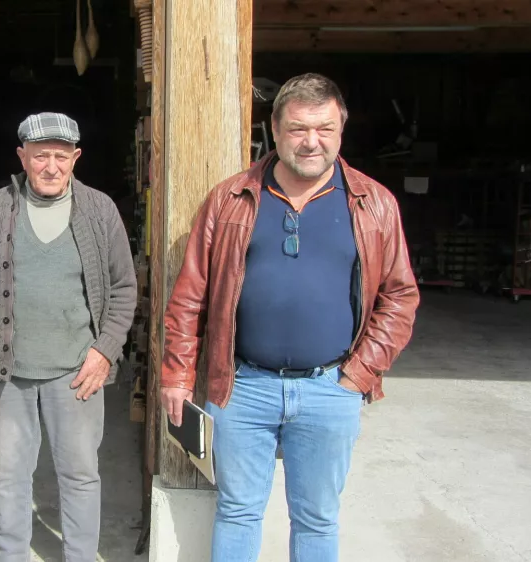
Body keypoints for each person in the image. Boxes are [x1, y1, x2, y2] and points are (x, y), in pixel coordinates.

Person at [160, 73, 420, 562]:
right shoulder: (230, 199)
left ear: (341, 131)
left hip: (330, 388)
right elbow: (190, 294)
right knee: (237, 511)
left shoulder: (373, 204)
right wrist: (177, 374)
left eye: (324, 129)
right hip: (242, 388)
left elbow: (400, 296)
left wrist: (359, 373)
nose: (311, 141)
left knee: (317, 519)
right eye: (298, 129)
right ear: (274, 131)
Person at [0, 112, 137, 562]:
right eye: (40, 157)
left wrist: (105, 351)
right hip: (6, 371)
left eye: (60, 156)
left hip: (77, 370)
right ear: (22, 157)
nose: (50, 167)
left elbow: (124, 288)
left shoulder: (99, 210)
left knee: (79, 474)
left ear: (76, 158)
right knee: (10, 474)